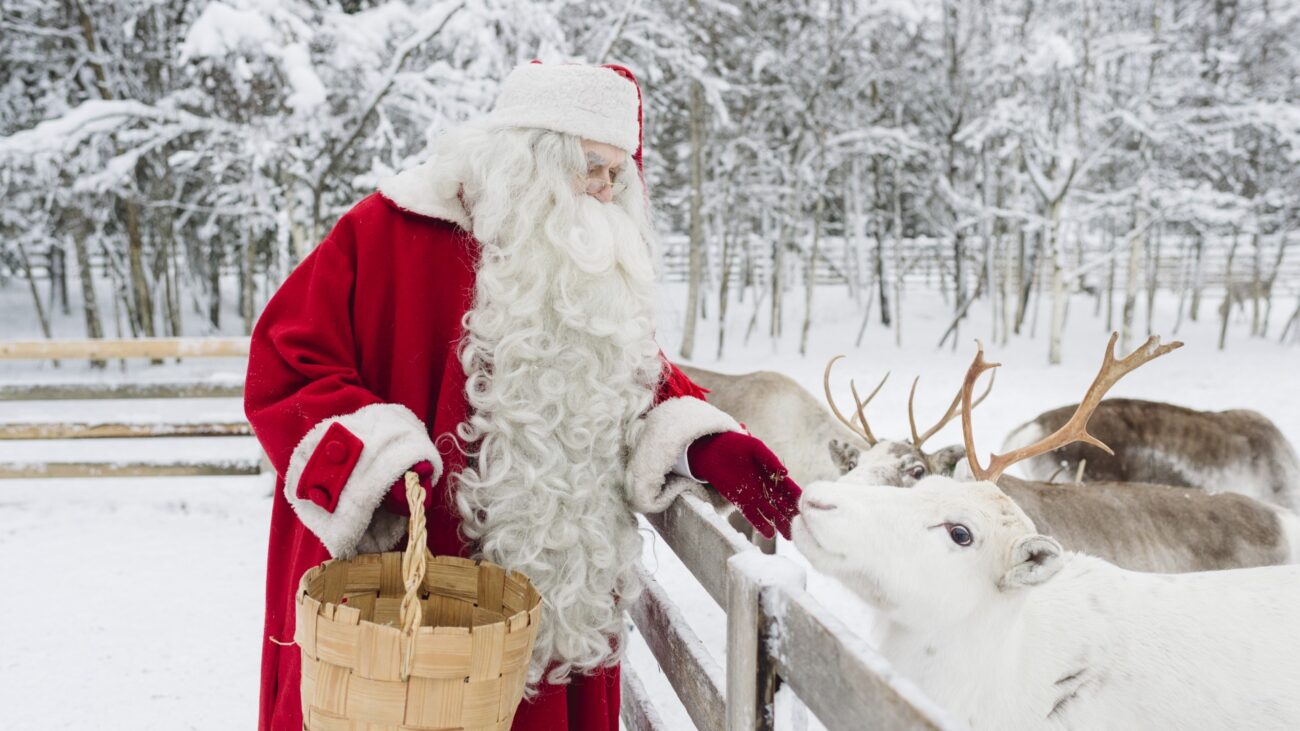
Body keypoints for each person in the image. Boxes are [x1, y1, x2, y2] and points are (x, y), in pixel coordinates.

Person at [245, 62, 802, 730]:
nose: (604, 190)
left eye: (617, 176)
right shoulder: (387, 231)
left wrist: (706, 445)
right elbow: (286, 363)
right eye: (591, 167)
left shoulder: (586, 257)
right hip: (402, 610)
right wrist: (378, 463)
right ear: (528, 158)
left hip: (549, 618)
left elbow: (630, 375)